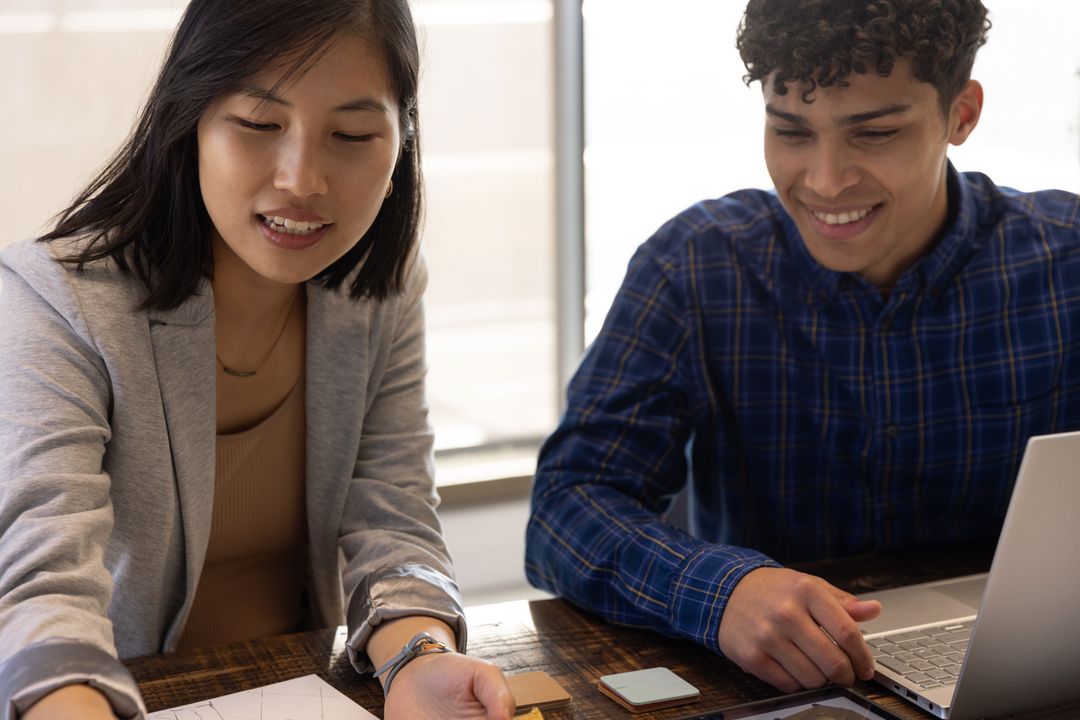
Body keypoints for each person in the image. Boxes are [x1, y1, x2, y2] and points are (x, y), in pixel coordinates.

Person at [526, 0, 1080, 698]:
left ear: (962, 115)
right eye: (790, 131)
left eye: (874, 133)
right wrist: (723, 591)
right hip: (771, 688)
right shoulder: (698, 266)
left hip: (1027, 675)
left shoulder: (1067, 263)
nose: (823, 180)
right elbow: (566, 509)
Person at [0, 2, 514, 719]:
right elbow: (39, 585)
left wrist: (418, 657)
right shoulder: (54, 299)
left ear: (400, 145)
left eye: (352, 133)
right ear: (190, 127)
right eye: (258, 124)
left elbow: (394, 519)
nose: (303, 179)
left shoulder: (380, 291)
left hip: (309, 689)